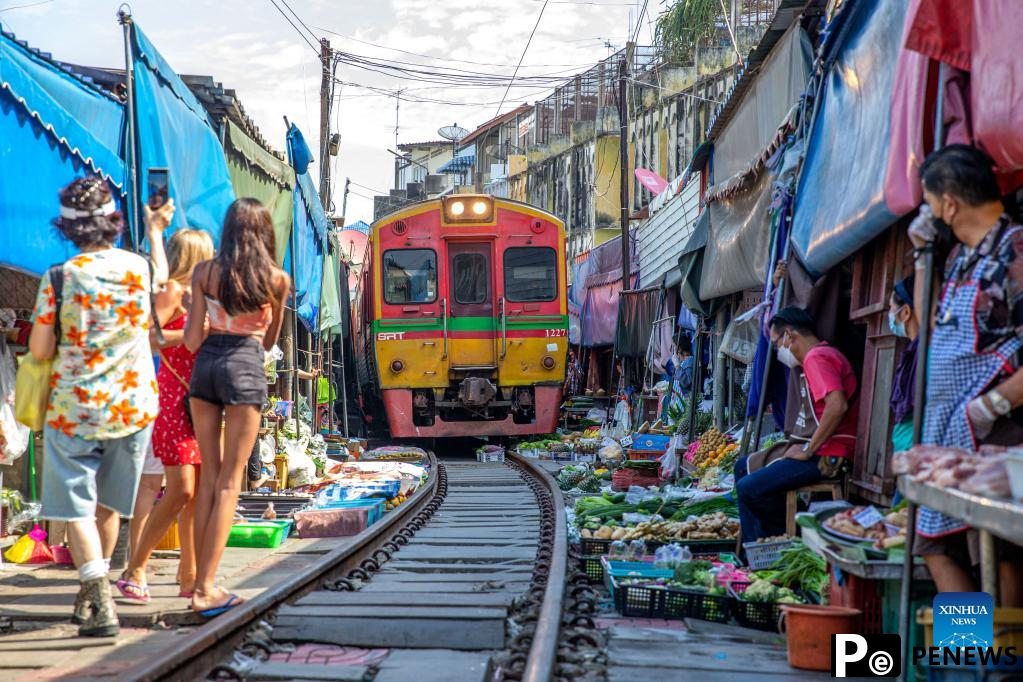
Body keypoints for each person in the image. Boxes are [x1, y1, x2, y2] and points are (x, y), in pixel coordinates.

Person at [29, 176, 168, 636]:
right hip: (133, 408)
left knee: (75, 510)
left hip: (75, 409)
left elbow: (42, 349)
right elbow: (163, 285)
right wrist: (154, 231)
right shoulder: (139, 268)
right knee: (109, 507)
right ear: (112, 221)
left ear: (67, 230)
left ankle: (99, 597)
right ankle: (95, 589)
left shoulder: (58, 279)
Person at [908, 144, 1023, 602]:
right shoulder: (957, 258)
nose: (929, 212)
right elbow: (926, 332)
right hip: (948, 432)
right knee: (938, 547)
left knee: (997, 554)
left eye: (929, 201)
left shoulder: (1015, 251)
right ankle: (967, 658)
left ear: (949, 203)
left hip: (1001, 430)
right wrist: (922, 256)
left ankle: (1004, 666)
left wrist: (993, 404)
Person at [184, 198, 290, 617]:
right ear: (264, 232)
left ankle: (194, 580)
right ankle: (207, 588)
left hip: (206, 367)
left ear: (227, 231)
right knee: (231, 481)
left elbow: (192, 339)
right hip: (245, 368)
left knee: (209, 477)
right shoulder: (276, 280)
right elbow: (267, 343)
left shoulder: (204, 273)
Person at [119, 228, 214, 602]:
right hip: (174, 399)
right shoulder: (172, 291)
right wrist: (194, 334)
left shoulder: (200, 295)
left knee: (195, 494)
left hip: (201, 400)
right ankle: (135, 567)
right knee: (181, 490)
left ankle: (188, 574)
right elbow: (147, 336)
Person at [733, 306, 858, 541]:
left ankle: (780, 541)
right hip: (820, 449)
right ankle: (771, 538)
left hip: (828, 455)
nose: (778, 349)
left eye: (777, 342)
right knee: (743, 467)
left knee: (748, 488)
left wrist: (809, 449)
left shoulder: (816, 358)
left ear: (789, 335)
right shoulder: (819, 357)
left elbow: (837, 406)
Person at [888, 275, 919, 455]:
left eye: (891, 308)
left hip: (915, 454)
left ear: (906, 312)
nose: (890, 316)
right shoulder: (913, 350)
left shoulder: (924, 351)